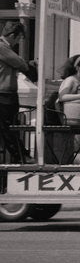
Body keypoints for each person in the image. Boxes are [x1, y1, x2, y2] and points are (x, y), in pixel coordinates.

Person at [0, 20, 37, 164]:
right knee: (9, 127)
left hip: (6, 93)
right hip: (4, 94)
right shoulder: (2, 47)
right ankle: (22, 157)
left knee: (9, 127)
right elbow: (19, 63)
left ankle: (19, 157)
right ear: (13, 35)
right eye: (19, 38)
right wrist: (29, 65)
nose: (18, 43)